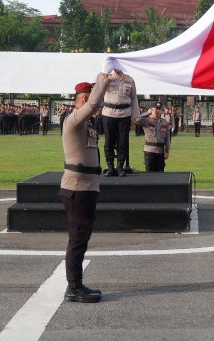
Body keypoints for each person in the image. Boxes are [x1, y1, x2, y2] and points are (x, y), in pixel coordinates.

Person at [60, 73, 110, 304]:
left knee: (82, 238)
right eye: (86, 98)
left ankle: (77, 284)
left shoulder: (88, 124)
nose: (92, 104)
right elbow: (94, 104)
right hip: (77, 188)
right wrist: (103, 80)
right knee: (78, 239)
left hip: (88, 187)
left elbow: (96, 105)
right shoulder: (72, 120)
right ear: (78, 100)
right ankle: (73, 287)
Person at [101, 68, 140, 177]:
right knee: (109, 141)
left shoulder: (129, 80)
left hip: (125, 114)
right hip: (109, 113)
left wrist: (135, 116)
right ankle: (110, 166)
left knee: (123, 142)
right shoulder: (106, 78)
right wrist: (104, 75)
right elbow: (98, 90)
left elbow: (134, 98)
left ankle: (120, 167)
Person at [137, 103, 171, 172]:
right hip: (150, 151)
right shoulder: (146, 121)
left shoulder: (164, 122)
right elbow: (136, 119)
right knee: (149, 175)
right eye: (156, 109)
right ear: (151, 110)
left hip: (160, 152)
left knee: (160, 175)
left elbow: (167, 139)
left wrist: (167, 151)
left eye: (159, 109)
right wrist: (147, 113)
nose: (158, 111)